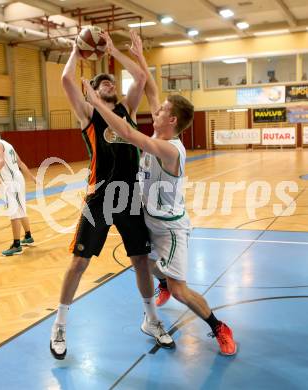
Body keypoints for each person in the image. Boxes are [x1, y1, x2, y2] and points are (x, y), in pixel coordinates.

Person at [81, 30, 237, 356]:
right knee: (142, 261)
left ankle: (218, 327)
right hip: (148, 217)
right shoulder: (160, 126)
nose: (156, 109)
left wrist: (95, 102)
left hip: (170, 229)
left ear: (173, 120)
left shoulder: (169, 149)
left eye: (162, 109)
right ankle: (162, 283)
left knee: (180, 290)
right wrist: (136, 55)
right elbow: (150, 88)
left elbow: (124, 130)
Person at [49, 32, 174, 360]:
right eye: (102, 81)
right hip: (100, 197)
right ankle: (59, 324)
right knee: (79, 262)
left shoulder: (126, 110)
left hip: (131, 196)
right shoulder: (87, 113)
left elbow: (141, 77)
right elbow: (65, 78)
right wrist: (77, 48)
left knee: (141, 262)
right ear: (92, 89)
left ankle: (151, 319)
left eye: (111, 81)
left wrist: (113, 51)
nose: (109, 83)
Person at [0, 124, 35, 256]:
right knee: (21, 209)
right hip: (18, 179)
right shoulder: (7, 144)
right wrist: (32, 177)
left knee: (13, 212)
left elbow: (0, 163)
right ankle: (28, 236)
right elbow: (20, 163)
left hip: (12, 182)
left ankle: (16, 245)